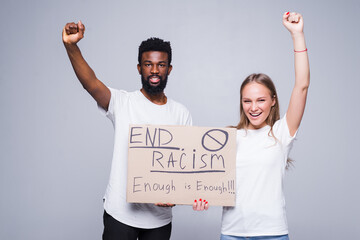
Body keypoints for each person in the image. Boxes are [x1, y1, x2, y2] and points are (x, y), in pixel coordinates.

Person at [62, 21, 192, 240]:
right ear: (139, 68)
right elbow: (91, 84)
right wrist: (71, 46)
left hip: (160, 220)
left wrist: (177, 195)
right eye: (148, 64)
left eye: (161, 65)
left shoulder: (181, 113)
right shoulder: (123, 102)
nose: (154, 70)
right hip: (120, 214)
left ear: (169, 69)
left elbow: (185, 165)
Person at [194, 12, 309, 240]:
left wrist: (297, 34)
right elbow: (210, 183)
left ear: (273, 100)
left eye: (261, 100)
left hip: (272, 234)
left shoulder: (281, 133)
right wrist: (201, 198)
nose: (253, 107)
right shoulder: (227, 138)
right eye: (247, 101)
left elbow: (302, 86)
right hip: (232, 234)